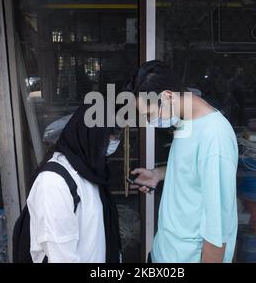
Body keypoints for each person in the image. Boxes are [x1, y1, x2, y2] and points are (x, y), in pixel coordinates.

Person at [127, 60, 238, 263]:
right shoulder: (186, 121)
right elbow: (191, 168)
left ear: (168, 96)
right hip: (164, 251)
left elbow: (218, 230)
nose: (150, 122)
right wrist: (158, 174)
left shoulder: (215, 137)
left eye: (150, 114)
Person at [26, 104, 122, 263]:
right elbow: (61, 257)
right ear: (90, 133)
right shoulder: (53, 183)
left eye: (118, 134)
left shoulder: (90, 171)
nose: (115, 141)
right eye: (111, 133)